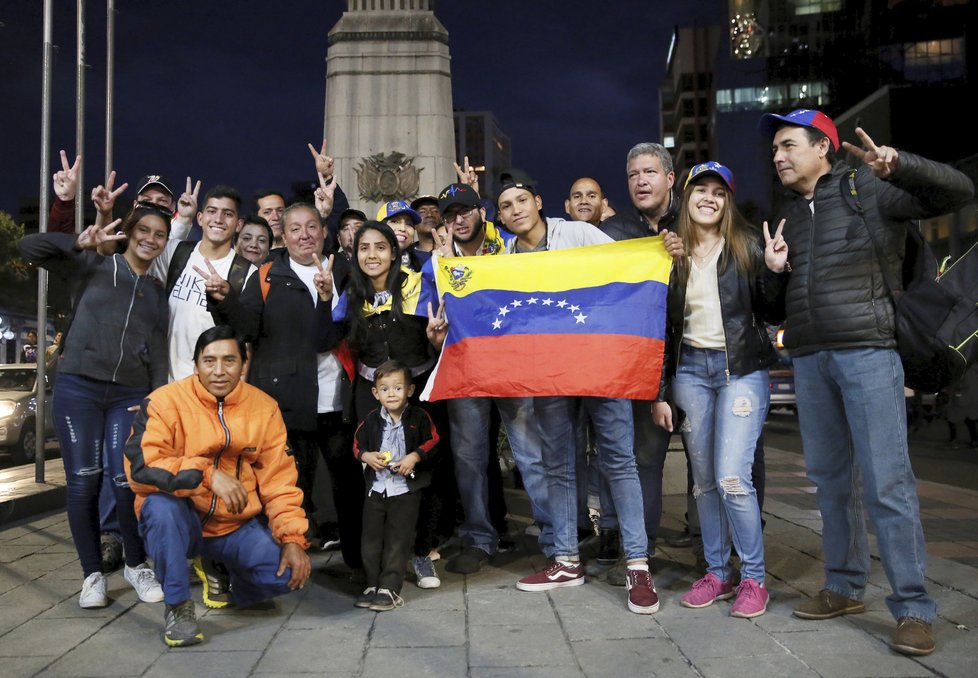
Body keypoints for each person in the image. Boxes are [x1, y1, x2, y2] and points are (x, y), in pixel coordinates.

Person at [759, 108, 974, 655]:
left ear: (822, 147)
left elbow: (959, 192)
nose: (778, 157)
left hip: (869, 352)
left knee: (887, 482)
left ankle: (913, 606)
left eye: (788, 146)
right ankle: (843, 585)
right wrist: (772, 270)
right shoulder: (788, 217)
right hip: (811, 359)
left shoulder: (870, 190)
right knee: (830, 480)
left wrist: (901, 166)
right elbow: (771, 308)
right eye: (776, 149)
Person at [491, 168, 658, 615]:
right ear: (501, 218)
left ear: (539, 201)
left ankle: (638, 564)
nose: (515, 210)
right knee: (560, 465)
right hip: (550, 375)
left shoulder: (579, 233)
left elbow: (630, 263)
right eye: (506, 206)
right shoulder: (504, 257)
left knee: (618, 461)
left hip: (602, 368)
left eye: (521, 201)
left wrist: (663, 248)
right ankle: (566, 559)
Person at [18, 203, 170, 609]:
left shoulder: (156, 293)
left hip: (129, 395)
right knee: (84, 481)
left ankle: (137, 565)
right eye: (144, 230)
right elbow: (28, 245)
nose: (150, 239)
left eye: (160, 234)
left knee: (126, 481)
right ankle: (92, 576)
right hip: (79, 388)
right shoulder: (94, 265)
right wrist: (79, 241)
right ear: (130, 231)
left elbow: (158, 355)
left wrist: (154, 400)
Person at [654, 161, 787, 619]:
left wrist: (774, 269)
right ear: (686, 199)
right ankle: (717, 572)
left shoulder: (748, 245)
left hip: (741, 372)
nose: (708, 198)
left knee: (733, 477)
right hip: (690, 373)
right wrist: (659, 391)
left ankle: (753, 578)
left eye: (718, 192)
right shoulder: (668, 253)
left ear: (727, 201)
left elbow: (772, 311)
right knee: (705, 483)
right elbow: (662, 330)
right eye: (700, 190)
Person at [125, 326, 311, 647]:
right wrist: (207, 474)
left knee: (286, 577)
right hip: (183, 519)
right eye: (209, 361)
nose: (219, 370)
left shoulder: (264, 407)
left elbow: (279, 480)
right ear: (195, 365)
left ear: (244, 364)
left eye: (229, 361)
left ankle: (228, 576)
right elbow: (140, 468)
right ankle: (178, 606)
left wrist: (293, 538)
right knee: (160, 506)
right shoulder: (163, 402)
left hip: (232, 526)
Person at [221, 203, 364, 575]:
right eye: (295, 229)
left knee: (347, 485)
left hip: (335, 400)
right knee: (287, 486)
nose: (305, 235)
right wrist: (223, 299)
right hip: (285, 402)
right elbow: (247, 330)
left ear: (323, 231)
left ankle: (359, 561)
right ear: (283, 236)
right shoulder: (268, 275)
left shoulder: (346, 273)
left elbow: (329, 338)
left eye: (312, 226)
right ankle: (283, 561)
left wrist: (328, 297)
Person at [434, 182, 546, 575]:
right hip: (465, 372)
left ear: (482, 212)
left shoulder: (508, 248)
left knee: (531, 453)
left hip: (512, 369)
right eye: (450, 215)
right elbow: (437, 319)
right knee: (469, 458)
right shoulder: (437, 260)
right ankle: (480, 537)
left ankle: (554, 537)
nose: (458, 219)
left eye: (465, 210)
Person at [341, 220, 446, 588]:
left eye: (380, 247)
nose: (372, 255)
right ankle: (382, 557)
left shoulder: (419, 286)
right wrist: (325, 298)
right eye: (364, 248)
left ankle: (422, 553)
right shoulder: (350, 295)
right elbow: (330, 334)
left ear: (395, 252)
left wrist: (435, 342)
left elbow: (443, 336)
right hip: (369, 392)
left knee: (422, 473)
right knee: (374, 474)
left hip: (419, 392)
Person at [353, 359, 439, 611]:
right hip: (377, 490)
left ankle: (390, 588)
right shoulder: (370, 420)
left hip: (404, 491)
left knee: (397, 540)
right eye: (385, 389)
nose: (392, 394)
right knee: (370, 540)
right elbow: (357, 444)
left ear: (409, 390)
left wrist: (414, 456)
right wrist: (366, 457)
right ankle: (372, 584)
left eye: (398, 388)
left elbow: (433, 439)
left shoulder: (419, 417)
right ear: (375, 393)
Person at [150, 185, 255, 383]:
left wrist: (227, 299)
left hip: (213, 388)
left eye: (228, 214)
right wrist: (183, 218)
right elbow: (141, 255)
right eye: (212, 211)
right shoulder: (176, 252)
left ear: (239, 224)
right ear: (200, 218)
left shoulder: (248, 273)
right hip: (166, 386)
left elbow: (247, 337)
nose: (218, 219)